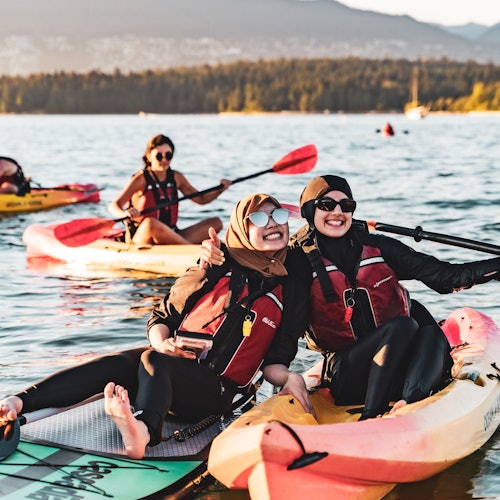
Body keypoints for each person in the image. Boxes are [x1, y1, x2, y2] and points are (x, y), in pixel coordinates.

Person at [1, 193, 312, 459]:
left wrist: (290, 377)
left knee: (153, 360)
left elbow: (276, 361)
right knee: (121, 362)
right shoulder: (212, 267)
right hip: (172, 375)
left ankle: (142, 433)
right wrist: (164, 343)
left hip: (218, 393)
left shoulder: (290, 288)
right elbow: (161, 318)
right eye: (259, 218)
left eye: (279, 216)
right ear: (242, 230)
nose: (273, 224)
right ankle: (18, 402)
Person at [200, 175, 500, 420]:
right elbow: (253, 260)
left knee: (431, 332)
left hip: (399, 370)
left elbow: (446, 278)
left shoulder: (378, 247)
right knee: (404, 325)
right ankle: (371, 417)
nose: (337, 212)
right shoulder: (298, 261)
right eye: (326, 205)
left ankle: (408, 405)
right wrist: (214, 257)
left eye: (346, 205)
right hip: (348, 376)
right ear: (310, 211)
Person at [108, 134, 232, 245]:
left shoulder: (177, 177)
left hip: (172, 234)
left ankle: (185, 246)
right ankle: (190, 250)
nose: (164, 160)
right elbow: (114, 206)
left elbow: (201, 199)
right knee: (151, 223)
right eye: (159, 156)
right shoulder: (141, 179)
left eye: (168, 155)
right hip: (142, 237)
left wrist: (220, 190)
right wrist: (125, 213)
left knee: (216, 223)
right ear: (149, 157)